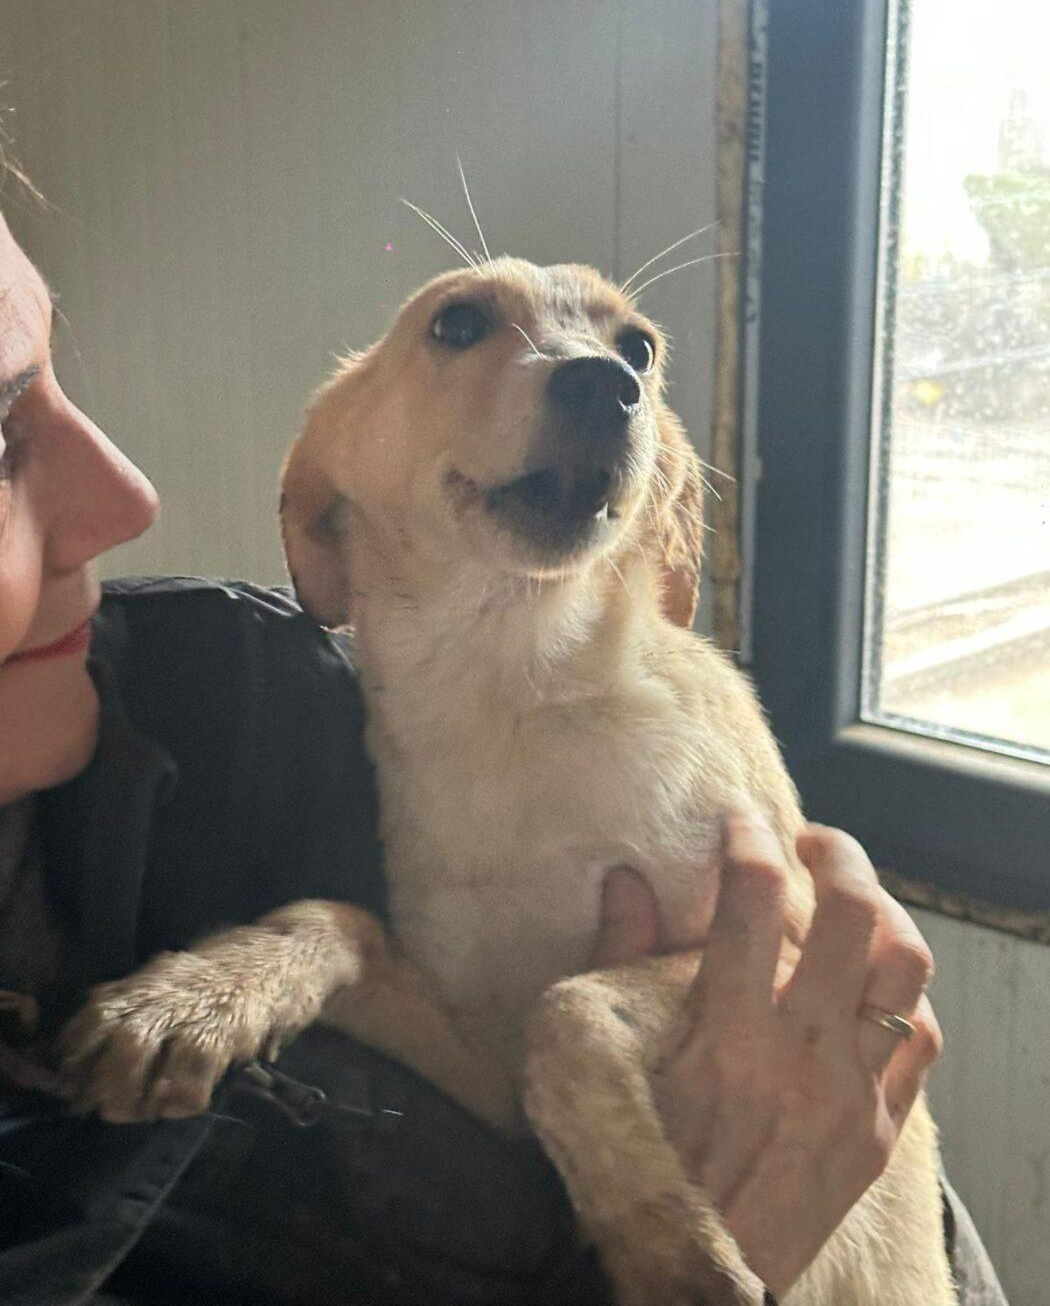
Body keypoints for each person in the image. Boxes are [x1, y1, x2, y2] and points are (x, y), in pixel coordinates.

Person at [0, 200, 1007, 1305]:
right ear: (332, 479)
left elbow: (800, 1025)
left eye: (634, 353)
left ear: (664, 502)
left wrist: (581, 1041)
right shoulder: (348, 741)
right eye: (464, 324)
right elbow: (491, 1080)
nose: (596, 374)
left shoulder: (253, 691)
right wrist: (312, 951)